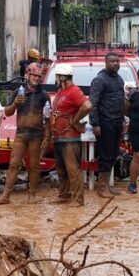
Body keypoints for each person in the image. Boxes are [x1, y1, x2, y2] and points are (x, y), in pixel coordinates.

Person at [0, 62, 49, 205]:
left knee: (34, 166)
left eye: (39, 76)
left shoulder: (44, 96)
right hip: (21, 135)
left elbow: (48, 118)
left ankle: (32, 195)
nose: (36, 78)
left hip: (36, 135)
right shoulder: (18, 92)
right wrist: (15, 104)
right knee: (13, 164)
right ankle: (6, 195)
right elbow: (7, 112)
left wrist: (47, 137)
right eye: (34, 75)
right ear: (28, 75)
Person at [49, 63, 92, 206]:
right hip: (59, 137)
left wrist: (75, 120)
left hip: (70, 137)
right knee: (61, 169)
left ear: (62, 77)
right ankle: (64, 195)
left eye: (56, 76)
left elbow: (87, 105)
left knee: (72, 169)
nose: (55, 79)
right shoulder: (61, 91)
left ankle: (78, 199)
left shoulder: (74, 91)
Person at [88, 52, 126, 196]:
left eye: (117, 61)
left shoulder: (119, 79)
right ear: (106, 63)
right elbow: (93, 103)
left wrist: (122, 120)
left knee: (114, 154)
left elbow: (120, 100)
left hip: (117, 121)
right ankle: (102, 187)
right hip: (105, 122)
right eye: (112, 61)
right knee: (105, 155)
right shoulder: (99, 80)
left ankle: (107, 186)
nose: (115, 63)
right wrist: (95, 123)